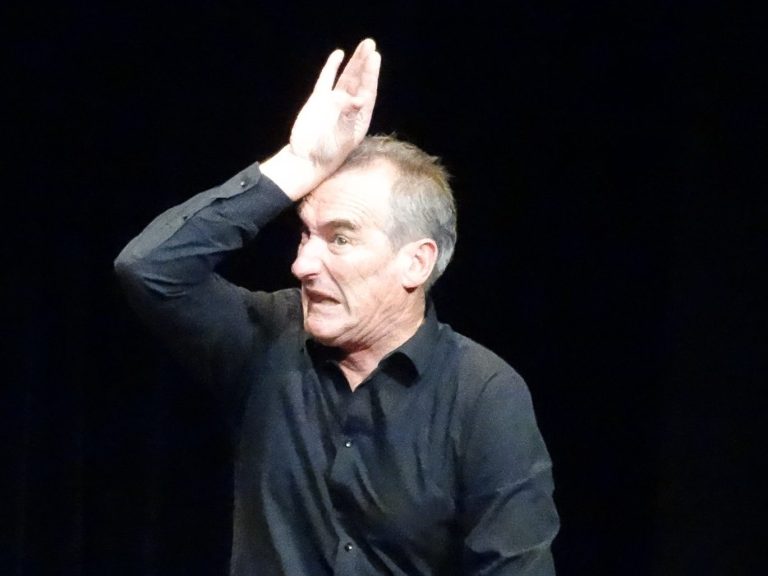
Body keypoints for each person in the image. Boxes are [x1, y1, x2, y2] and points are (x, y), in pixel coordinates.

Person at [115, 38, 559, 575]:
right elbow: (151, 269)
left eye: (340, 239)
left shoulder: (483, 394)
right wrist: (297, 165)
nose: (303, 264)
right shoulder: (268, 339)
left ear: (416, 263)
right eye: (306, 235)